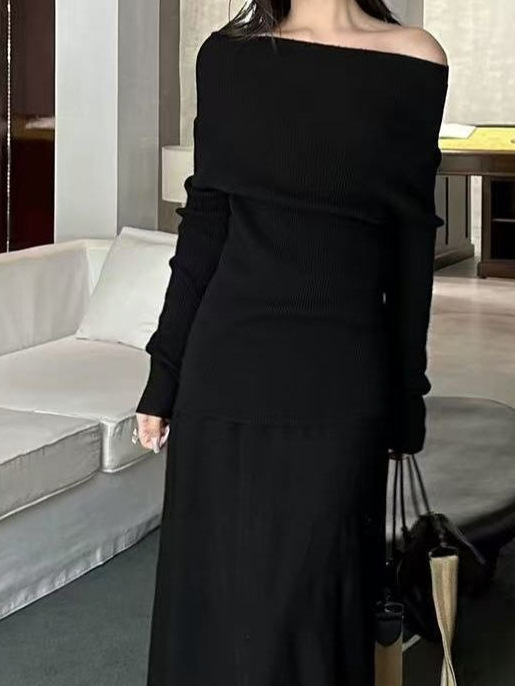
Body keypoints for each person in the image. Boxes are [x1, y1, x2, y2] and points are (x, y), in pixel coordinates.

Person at [134, 1, 449, 683]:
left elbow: (410, 240)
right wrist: (165, 372)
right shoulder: (228, 55)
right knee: (216, 603)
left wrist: (407, 395)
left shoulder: (414, 58)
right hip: (224, 375)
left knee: (313, 605)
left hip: (340, 379)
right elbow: (207, 218)